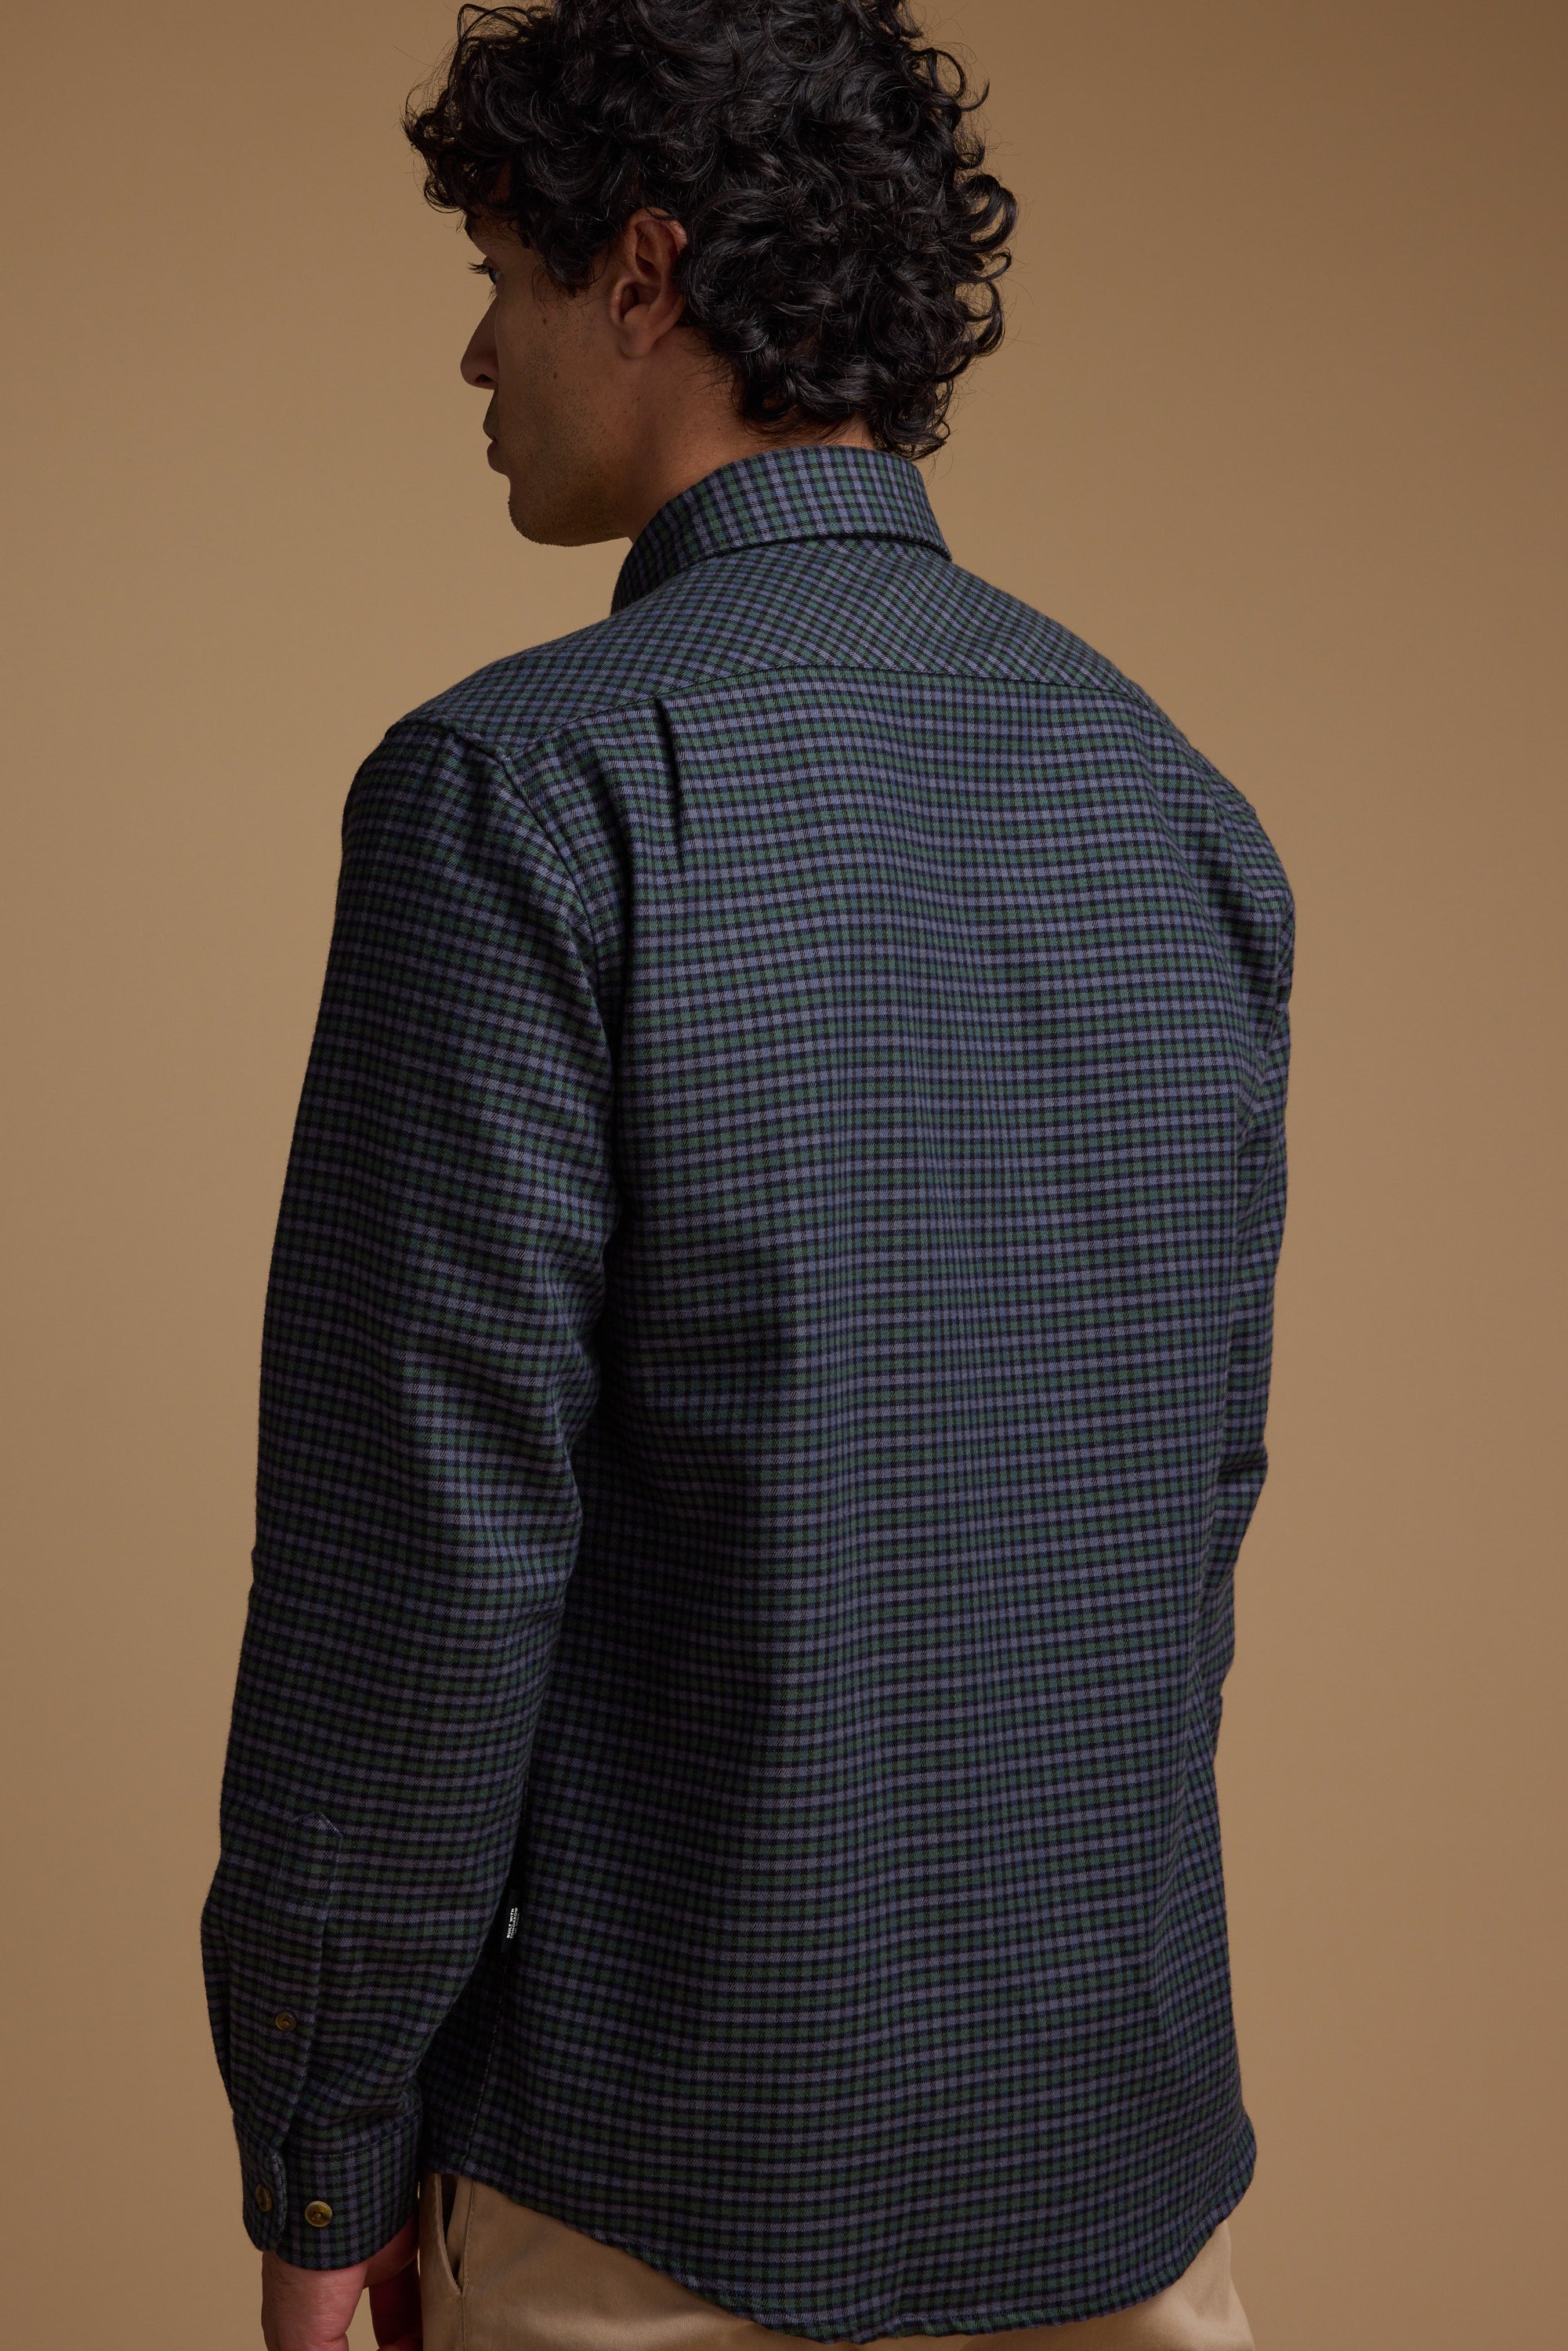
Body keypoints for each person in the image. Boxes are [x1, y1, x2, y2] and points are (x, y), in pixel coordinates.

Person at [201, 5, 1291, 2347]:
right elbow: (1185, 1509)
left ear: (644, 274)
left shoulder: (514, 794)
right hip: (1123, 2178)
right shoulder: (1175, 801)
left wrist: (324, 2158)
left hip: (656, 2204)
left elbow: (418, 1575)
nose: (468, 348)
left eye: (500, 269)